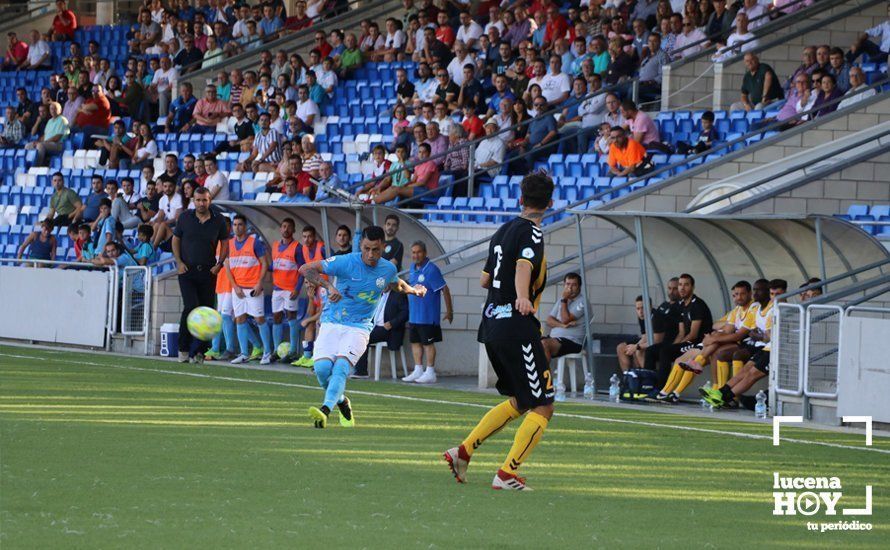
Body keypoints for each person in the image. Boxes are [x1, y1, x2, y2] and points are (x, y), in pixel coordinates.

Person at [444, 172, 555, 491]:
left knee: (523, 400)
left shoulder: (502, 231)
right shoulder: (533, 233)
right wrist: (521, 296)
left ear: (520, 199)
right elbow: (524, 266)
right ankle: (507, 473)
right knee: (544, 404)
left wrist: (508, 290)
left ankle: (463, 451)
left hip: (491, 324)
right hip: (516, 327)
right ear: (550, 203)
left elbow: (484, 279)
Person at [299, 225, 428, 429]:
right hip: (332, 322)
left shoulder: (387, 269)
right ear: (361, 245)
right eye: (366, 248)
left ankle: (324, 411)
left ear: (383, 247)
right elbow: (305, 269)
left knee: (341, 369)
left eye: (375, 249)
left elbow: (396, 284)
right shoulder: (345, 262)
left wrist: (414, 290)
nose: (370, 254)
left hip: (359, 328)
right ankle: (342, 401)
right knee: (323, 370)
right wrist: (328, 286)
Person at [660, 281, 757, 401]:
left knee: (715, 352)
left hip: (743, 344)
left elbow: (736, 335)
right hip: (716, 342)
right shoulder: (736, 310)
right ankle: (667, 392)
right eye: (736, 294)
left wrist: (714, 337)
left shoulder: (754, 308)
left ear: (750, 294)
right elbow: (719, 326)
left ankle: (717, 391)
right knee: (680, 360)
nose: (739, 297)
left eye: (742, 294)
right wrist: (715, 335)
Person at [701, 279, 788, 409]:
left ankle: (724, 398)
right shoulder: (758, 309)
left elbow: (769, 336)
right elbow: (757, 332)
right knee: (745, 370)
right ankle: (719, 393)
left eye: (778, 294)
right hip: (766, 348)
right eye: (772, 294)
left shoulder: (782, 310)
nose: (756, 293)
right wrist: (760, 335)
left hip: (778, 350)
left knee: (751, 374)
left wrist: (760, 335)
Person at [171, 187, 229, 363]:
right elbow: (175, 240)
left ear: (209, 200)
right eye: (198, 200)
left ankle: (199, 352)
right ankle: (183, 348)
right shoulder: (184, 217)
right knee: (191, 307)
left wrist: (219, 264)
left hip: (208, 271)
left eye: (204, 200)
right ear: (193, 201)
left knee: (206, 310)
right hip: (187, 271)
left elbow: (225, 243)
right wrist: (179, 262)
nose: (201, 203)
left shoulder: (218, 219)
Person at [652, 273, 714, 401]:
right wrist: (676, 346)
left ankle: (663, 391)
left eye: (686, 285)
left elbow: (693, 334)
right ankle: (658, 389)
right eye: (680, 284)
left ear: (692, 287)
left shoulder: (697, 305)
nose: (682, 288)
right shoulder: (682, 304)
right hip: (691, 342)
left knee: (673, 356)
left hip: (700, 342)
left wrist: (678, 347)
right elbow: (681, 332)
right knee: (659, 350)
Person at [401, 241, 452, 384]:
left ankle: (430, 372)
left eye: (418, 252)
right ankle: (418, 369)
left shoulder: (432, 269)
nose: (415, 255)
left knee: (428, 344)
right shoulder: (412, 268)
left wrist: (449, 311)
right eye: (413, 252)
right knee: (415, 342)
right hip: (414, 315)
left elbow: (445, 289)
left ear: (424, 253)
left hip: (428, 316)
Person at [226, 214, 274, 365]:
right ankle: (244, 353)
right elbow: (227, 267)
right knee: (240, 319)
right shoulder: (229, 244)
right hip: (238, 289)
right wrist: (234, 286)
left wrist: (260, 283)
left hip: (253, 288)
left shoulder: (254, 243)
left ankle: (267, 352)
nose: (237, 227)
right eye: (234, 224)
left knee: (259, 319)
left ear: (245, 226)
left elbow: (264, 263)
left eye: (240, 224)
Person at [290, 225, 326, 367]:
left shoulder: (322, 248)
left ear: (314, 237)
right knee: (309, 319)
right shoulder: (303, 250)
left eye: (309, 236)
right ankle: (307, 356)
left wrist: (309, 319)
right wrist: (310, 296)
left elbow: (322, 313)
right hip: (315, 285)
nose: (307, 240)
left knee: (317, 321)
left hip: (324, 285)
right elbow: (311, 313)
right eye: (304, 237)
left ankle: (317, 356)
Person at [352, 287, 408, 379]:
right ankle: (356, 369)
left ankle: (361, 372)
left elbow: (405, 313)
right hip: (374, 327)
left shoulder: (398, 294)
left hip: (389, 330)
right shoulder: (378, 295)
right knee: (357, 334)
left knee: (363, 338)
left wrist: (392, 323)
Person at [270, 218, 301, 361]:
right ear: (280, 229)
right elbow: (274, 265)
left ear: (293, 230)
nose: (286, 229)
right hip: (277, 288)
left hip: (290, 289)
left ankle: (293, 350)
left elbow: (302, 270)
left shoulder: (297, 247)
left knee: (291, 317)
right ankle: (277, 350)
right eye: (284, 226)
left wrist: (297, 288)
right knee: (276, 318)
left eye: (289, 227)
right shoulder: (275, 245)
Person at [541, 273, 589, 361]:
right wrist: (562, 326)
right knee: (531, 343)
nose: (570, 288)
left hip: (573, 342)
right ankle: (533, 374)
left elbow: (565, 319)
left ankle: (544, 375)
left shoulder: (582, 302)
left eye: (574, 285)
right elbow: (549, 320)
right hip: (555, 339)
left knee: (544, 344)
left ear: (579, 287)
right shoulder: (562, 300)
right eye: (567, 284)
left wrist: (564, 300)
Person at [617, 296, 656, 373]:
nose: (640, 312)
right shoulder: (641, 317)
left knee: (637, 351)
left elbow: (653, 339)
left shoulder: (655, 317)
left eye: (643, 308)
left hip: (655, 343)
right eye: (638, 309)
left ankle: (641, 376)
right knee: (621, 347)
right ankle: (628, 376)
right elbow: (644, 336)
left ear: (650, 307)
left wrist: (635, 347)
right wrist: (634, 347)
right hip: (647, 341)